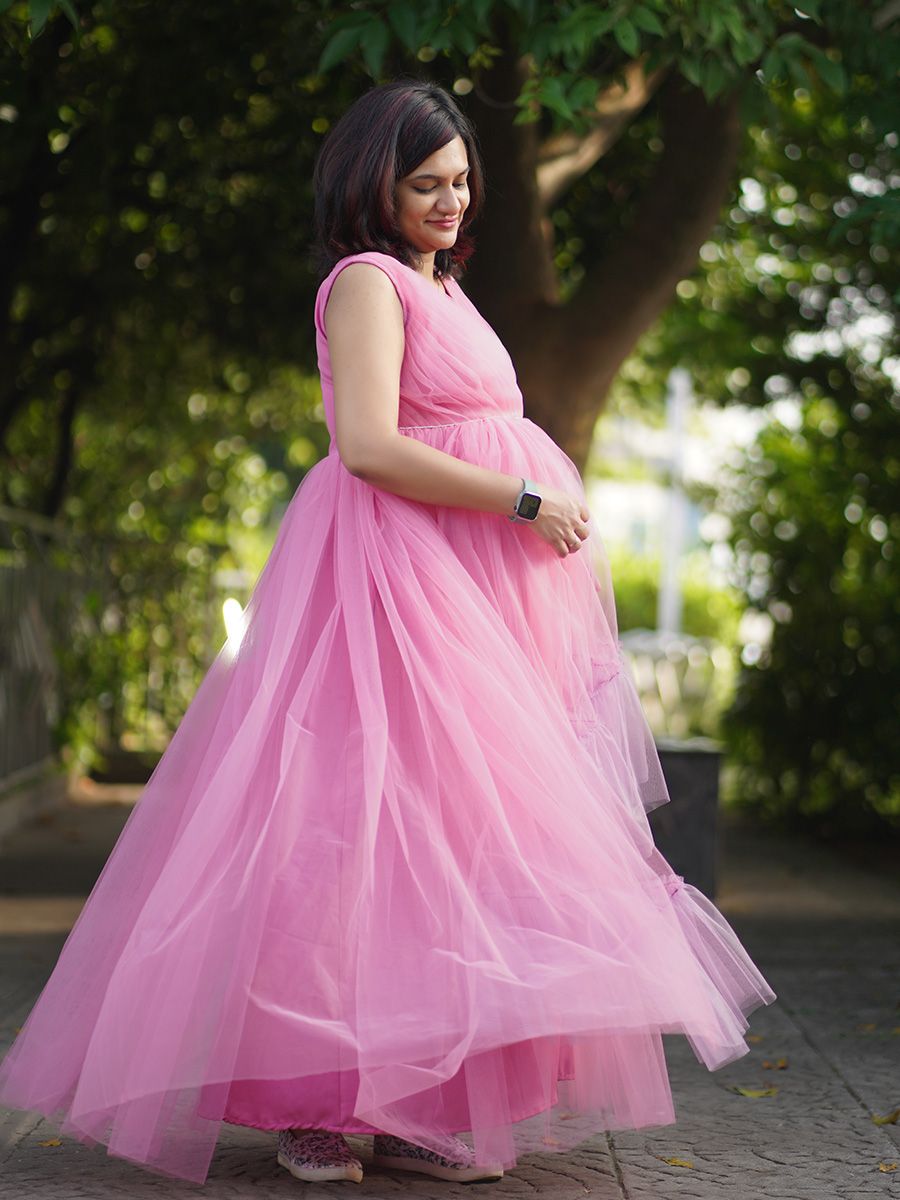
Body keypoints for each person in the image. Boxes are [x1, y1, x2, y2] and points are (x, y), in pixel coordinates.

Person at [0, 79, 777, 1188]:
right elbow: (365, 443)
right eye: (427, 184)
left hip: (465, 589)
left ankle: (410, 1093)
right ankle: (317, 1099)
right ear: (375, 183)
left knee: (450, 837)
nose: (452, 201)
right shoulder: (367, 283)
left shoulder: (441, 284)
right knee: (348, 828)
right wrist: (518, 501)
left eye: (462, 181)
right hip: (385, 584)